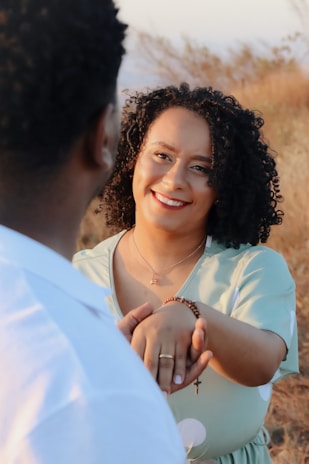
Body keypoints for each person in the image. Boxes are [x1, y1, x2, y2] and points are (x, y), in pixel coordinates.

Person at [0, 3, 213, 462]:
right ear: (104, 137)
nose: (176, 179)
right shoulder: (95, 397)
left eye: (200, 167)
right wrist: (98, 368)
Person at [73, 82, 299, 463]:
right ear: (131, 158)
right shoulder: (79, 273)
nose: (175, 179)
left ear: (225, 186)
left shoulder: (254, 268)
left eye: (201, 168)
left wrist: (189, 313)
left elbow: (263, 362)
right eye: (162, 155)